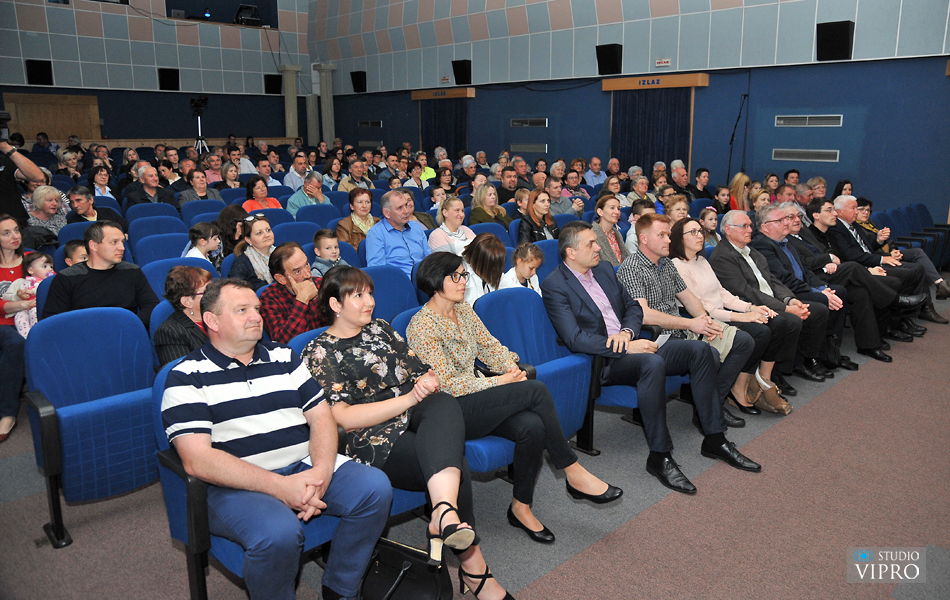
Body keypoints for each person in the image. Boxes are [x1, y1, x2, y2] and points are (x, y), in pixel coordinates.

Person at [162, 277, 391, 600]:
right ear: (211, 320)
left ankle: (341, 589)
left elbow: (322, 417)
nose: (256, 316)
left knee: (375, 488)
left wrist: (321, 473)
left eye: (256, 308)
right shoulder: (186, 376)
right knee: (279, 532)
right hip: (235, 485)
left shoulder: (284, 356)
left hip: (302, 465)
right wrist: (281, 487)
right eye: (242, 310)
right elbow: (197, 459)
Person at [301, 267, 514, 600]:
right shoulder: (318, 352)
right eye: (358, 296)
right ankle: (474, 569)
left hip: (412, 412)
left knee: (443, 402)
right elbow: (344, 419)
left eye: (370, 293)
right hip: (371, 436)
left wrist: (426, 381)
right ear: (335, 304)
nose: (370, 301)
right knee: (454, 462)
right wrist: (410, 398)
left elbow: (420, 370)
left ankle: (442, 511)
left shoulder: (381, 329)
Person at [408, 252, 621, 544]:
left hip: (478, 397)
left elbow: (490, 347)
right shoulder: (422, 326)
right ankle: (571, 470)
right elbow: (446, 386)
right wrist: (500, 381)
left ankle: (521, 507)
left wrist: (511, 367)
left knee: (531, 426)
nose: (463, 282)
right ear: (434, 282)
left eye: (463, 275)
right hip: (448, 412)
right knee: (535, 390)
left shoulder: (464, 310)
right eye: (454, 276)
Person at [542, 221, 761, 495]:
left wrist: (627, 333)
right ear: (571, 252)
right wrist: (624, 347)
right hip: (603, 360)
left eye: (597, 242)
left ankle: (715, 439)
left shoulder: (604, 270)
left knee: (701, 351)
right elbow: (574, 338)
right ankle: (660, 455)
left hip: (632, 343)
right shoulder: (554, 285)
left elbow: (633, 308)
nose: (599, 248)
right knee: (652, 362)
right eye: (591, 244)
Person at [617, 213, 756, 424]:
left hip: (680, 330)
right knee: (705, 352)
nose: (669, 240)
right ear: (643, 239)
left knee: (744, 341)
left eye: (668, 234)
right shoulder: (631, 268)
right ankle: (708, 413)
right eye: (662, 235)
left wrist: (705, 321)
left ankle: (713, 402)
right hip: (654, 338)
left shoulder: (666, 264)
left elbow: (689, 299)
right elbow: (643, 314)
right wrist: (691, 323)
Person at [670, 218, 793, 413]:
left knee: (774, 322)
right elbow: (702, 309)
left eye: (700, 231)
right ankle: (729, 392)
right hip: (704, 319)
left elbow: (722, 294)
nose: (699, 236)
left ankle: (749, 381)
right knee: (759, 333)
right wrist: (740, 317)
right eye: (692, 232)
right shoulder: (677, 266)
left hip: (721, 313)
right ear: (679, 238)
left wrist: (750, 308)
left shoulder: (701, 260)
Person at [708, 210, 831, 394]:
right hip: (750, 305)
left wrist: (790, 300)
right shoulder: (723, 256)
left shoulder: (751, 250)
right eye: (744, 226)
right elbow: (746, 291)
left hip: (772, 300)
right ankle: (775, 372)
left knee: (818, 310)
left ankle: (802, 361)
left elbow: (772, 280)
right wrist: (785, 308)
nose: (750, 230)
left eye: (750, 226)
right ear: (728, 230)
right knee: (788, 321)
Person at [749, 204, 857, 372]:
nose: (786, 223)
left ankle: (830, 350)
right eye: (780, 220)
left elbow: (805, 270)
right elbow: (784, 279)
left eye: (785, 219)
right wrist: (818, 292)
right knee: (821, 302)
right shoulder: (762, 245)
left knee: (838, 292)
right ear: (765, 227)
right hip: (787, 292)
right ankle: (811, 357)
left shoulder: (786, 241)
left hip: (800, 286)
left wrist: (822, 287)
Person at [827, 195, 937, 327]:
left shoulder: (853, 224)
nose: (857, 212)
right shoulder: (836, 228)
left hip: (871, 260)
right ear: (839, 211)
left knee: (917, 269)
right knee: (906, 274)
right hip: (864, 266)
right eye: (853, 208)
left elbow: (866, 248)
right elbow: (852, 255)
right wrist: (882, 259)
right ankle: (897, 321)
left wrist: (878, 240)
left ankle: (906, 317)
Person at [43, 221, 159, 328]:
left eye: (122, 242)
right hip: (83, 337)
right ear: (93, 246)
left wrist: (128, 325)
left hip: (125, 333)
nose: (122, 248)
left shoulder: (132, 271)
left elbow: (151, 306)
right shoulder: (67, 278)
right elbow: (52, 321)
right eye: (114, 242)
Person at [854, 197, 950, 301]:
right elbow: (870, 249)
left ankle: (939, 283)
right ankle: (928, 302)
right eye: (862, 209)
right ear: (855, 210)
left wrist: (893, 250)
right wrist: (889, 255)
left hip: (889, 253)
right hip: (880, 258)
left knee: (917, 252)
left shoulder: (871, 223)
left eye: (868, 210)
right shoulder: (856, 228)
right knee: (918, 268)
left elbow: (888, 241)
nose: (865, 212)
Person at [0, 216, 31, 442]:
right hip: (3, 325)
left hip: (31, 321)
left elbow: (47, 284)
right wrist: (20, 304)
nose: (15, 236)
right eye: (6, 233)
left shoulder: (31, 259)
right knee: (15, 342)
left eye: (17, 230)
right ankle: (8, 413)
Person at [259, 242, 323, 343]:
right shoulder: (269, 298)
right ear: (281, 279)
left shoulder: (322, 284)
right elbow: (283, 342)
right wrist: (302, 300)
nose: (307, 275)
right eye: (297, 271)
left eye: (306, 264)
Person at [153, 266, 213, 366]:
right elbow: (184, 372)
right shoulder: (170, 332)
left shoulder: (221, 317)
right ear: (187, 301)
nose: (216, 295)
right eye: (208, 292)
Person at [365, 190, 431, 277]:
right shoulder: (376, 233)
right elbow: (378, 271)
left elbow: (429, 258)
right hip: (400, 281)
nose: (406, 211)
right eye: (400, 208)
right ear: (387, 213)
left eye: (406, 205)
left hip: (425, 279)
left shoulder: (416, 227)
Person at [1, 251, 54, 338]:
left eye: (51, 266)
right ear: (30, 270)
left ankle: (38, 337)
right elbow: (6, 297)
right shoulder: (20, 282)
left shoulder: (48, 282)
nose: (50, 269)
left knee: (34, 313)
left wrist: (32, 291)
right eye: (44, 266)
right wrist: (18, 296)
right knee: (19, 318)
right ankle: (28, 339)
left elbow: (48, 291)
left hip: (40, 308)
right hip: (22, 310)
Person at [229, 214, 275, 291]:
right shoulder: (242, 264)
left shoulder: (283, 254)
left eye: (268, 230)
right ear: (248, 240)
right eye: (259, 233)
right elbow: (236, 292)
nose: (267, 235)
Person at [459, 233, 506, 306]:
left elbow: (510, 288)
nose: (494, 269)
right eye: (492, 266)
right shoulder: (461, 275)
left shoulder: (492, 270)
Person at [592, 195, 629, 267]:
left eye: (618, 208)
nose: (617, 212)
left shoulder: (616, 233)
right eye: (612, 208)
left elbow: (627, 256)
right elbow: (600, 265)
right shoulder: (592, 234)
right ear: (600, 212)